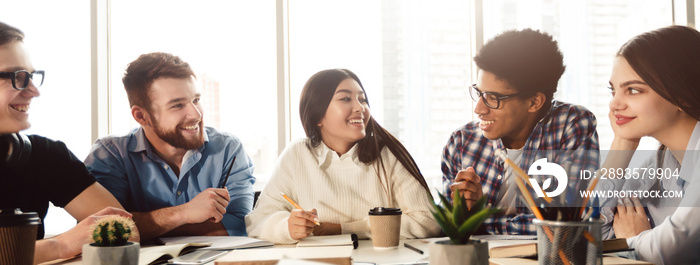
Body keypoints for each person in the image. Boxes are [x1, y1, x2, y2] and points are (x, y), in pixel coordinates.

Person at [245, 69, 440, 244]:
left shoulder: (388, 154)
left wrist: (345, 229)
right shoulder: (297, 154)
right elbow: (257, 221)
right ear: (318, 116)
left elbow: (429, 221)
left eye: (362, 100)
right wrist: (287, 227)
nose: (360, 108)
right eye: (346, 99)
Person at [0, 21, 136, 264]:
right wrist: (59, 246)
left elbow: (126, 230)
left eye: (32, 76)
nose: (34, 91)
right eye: (18, 77)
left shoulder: (44, 155)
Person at [441, 29, 600, 234]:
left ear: (534, 102)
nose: (478, 108)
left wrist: (480, 220)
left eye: (492, 97)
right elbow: (447, 225)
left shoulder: (571, 125)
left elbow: (567, 222)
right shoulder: (462, 143)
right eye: (479, 93)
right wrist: (464, 213)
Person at [84, 52, 255, 241]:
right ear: (141, 116)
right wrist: (183, 214)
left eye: (196, 100)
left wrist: (142, 227)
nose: (196, 114)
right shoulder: (110, 155)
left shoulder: (228, 149)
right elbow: (101, 230)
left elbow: (241, 225)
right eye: (177, 105)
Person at [597, 25, 700, 265]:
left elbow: (670, 249)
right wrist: (623, 144)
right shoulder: (657, 164)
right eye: (613, 91)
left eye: (633, 90)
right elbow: (586, 235)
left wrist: (634, 237)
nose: (614, 104)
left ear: (681, 95)